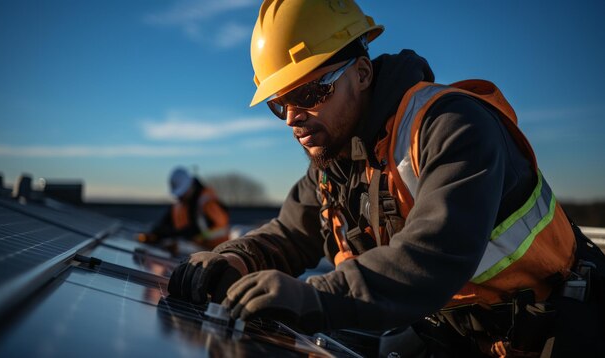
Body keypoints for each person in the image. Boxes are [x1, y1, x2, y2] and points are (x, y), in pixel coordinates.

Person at [167, 1, 605, 356]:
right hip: (453, 332)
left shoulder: (452, 127)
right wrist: (233, 258)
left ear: (360, 73)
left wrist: (315, 299)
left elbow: (436, 255)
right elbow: (288, 234)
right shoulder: (334, 161)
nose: (292, 118)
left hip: (555, 328)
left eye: (307, 93)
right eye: (279, 105)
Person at [139, 167, 229, 252]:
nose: (181, 197)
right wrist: (155, 234)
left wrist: (174, 234)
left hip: (215, 251)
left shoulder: (207, 202)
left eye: (183, 193)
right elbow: (166, 223)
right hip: (193, 252)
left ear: (190, 186)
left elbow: (197, 229)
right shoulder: (180, 205)